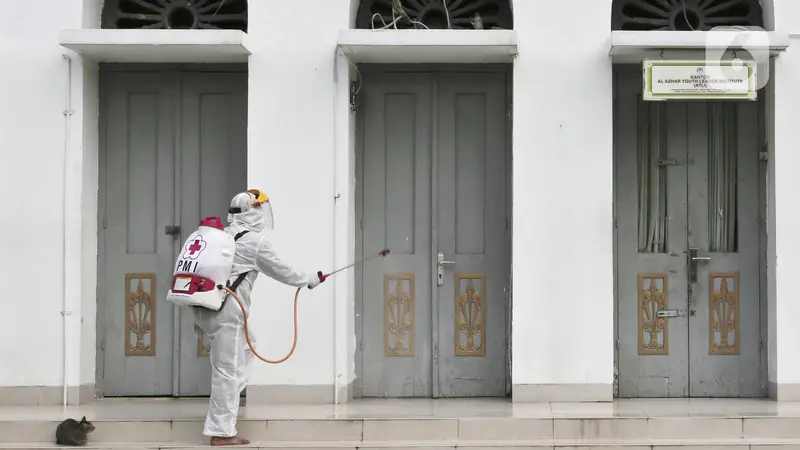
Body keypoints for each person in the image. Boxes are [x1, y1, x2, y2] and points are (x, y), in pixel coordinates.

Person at [192, 189, 324, 446]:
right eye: (259, 209)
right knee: (228, 371)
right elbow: (282, 271)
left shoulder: (221, 235)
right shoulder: (253, 242)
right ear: (250, 212)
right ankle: (221, 433)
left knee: (244, 353)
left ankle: (226, 407)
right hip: (226, 310)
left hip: (205, 308)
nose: (262, 215)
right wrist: (310, 279)